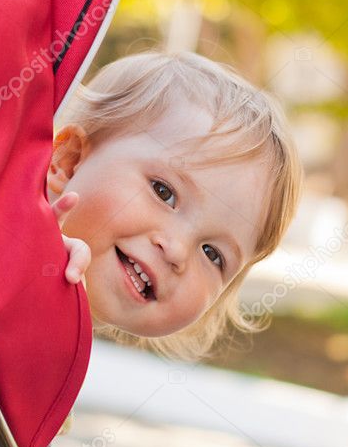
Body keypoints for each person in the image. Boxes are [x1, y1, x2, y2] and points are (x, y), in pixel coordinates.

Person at [48, 49, 303, 363]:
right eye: (163, 192)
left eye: (212, 254)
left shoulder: (62, 370)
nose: (177, 252)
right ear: (69, 160)